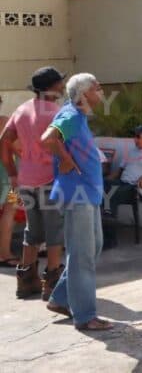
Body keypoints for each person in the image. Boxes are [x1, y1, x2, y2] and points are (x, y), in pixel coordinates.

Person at [41, 73, 113, 331]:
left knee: (92, 249)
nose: (101, 90)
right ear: (84, 94)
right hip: (77, 194)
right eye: (97, 87)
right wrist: (65, 159)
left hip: (87, 194)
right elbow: (48, 139)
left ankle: (60, 298)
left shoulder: (78, 116)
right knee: (82, 254)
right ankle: (85, 316)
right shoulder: (70, 116)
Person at [1, 67, 65, 299]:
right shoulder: (57, 112)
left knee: (33, 230)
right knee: (55, 231)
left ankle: (26, 283)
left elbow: (4, 141)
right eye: (59, 83)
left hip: (25, 179)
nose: (62, 86)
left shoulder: (22, 109)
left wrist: (12, 172)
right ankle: (53, 284)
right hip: (50, 180)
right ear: (51, 87)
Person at [103, 125, 142, 246]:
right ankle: (100, 233)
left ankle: (109, 240)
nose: (135, 140)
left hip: (136, 187)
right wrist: (102, 181)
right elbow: (118, 173)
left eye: (138, 137)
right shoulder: (131, 152)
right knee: (101, 188)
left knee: (109, 195)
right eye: (135, 137)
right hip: (122, 183)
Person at [0, 96, 17, 268]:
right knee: (9, 211)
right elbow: (17, 147)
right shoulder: (4, 122)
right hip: (6, 175)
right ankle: (4, 253)